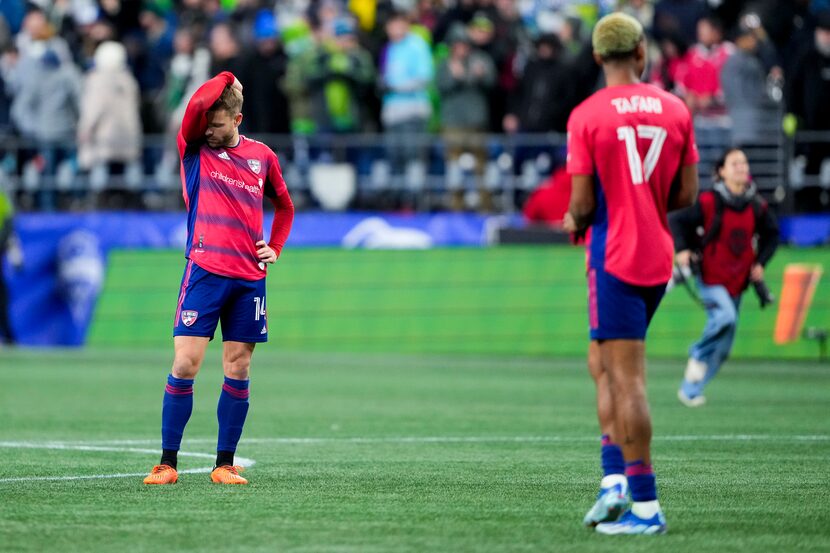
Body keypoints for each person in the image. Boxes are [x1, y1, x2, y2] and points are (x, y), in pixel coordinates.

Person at [563, 13, 699, 535]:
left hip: (614, 252)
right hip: (656, 252)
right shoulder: (675, 108)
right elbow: (685, 196)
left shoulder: (588, 115)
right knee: (601, 362)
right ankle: (613, 482)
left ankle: (645, 506)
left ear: (598, 58)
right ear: (642, 53)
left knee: (626, 379)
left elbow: (579, 203)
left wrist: (578, 217)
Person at [143, 71, 295, 485]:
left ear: (238, 120)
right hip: (204, 271)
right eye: (207, 123)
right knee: (185, 363)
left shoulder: (262, 156)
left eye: (218, 123)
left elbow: (284, 206)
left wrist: (275, 247)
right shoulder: (194, 149)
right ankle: (167, 463)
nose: (209, 130)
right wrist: (228, 78)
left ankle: (224, 464)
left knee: (239, 367)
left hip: (248, 277)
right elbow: (195, 107)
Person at [671, 148, 779, 407]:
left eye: (744, 162)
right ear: (721, 171)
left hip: (738, 282)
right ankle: (696, 354)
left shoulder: (756, 205)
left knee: (724, 349)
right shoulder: (709, 201)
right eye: (735, 163)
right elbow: (677, 221)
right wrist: (683, 249)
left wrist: (761, 263)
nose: (742, 167)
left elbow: (772, 235)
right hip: (710, 277)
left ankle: (690, 390)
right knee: (726, 317)